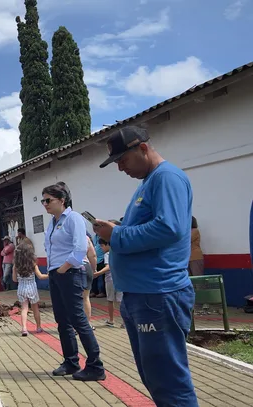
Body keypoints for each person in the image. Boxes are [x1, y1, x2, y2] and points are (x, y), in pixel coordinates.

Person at [94, 125, 197, 406]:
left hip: (158, 294)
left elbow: (169, 229)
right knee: (155, 377)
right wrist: (119, 228)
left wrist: (117, 234)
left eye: (122, 160)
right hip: (143, 294)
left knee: (169, 380)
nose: (120, 169)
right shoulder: (149, 182)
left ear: (143, 148)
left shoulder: (167, 178)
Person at [42, 182, 105, 381]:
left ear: (62, 200)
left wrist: (63, 269)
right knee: (62, 320)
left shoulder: (74, 219)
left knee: (78, 319)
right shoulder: (53, 222)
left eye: (48, 200)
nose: (45, 204)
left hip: (70, 272)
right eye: (43, 200)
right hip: (56, 273)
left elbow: (79, 249)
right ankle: (71, 361)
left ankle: (95, 366)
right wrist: (55, 272)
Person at [12, 242, 49, 336]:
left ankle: (24, 328)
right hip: (32, 288)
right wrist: (49, 275)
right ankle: (39, 327)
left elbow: (14, 279)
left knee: (24, 309)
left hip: (21, 288)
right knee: (35, 308)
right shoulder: (33, 264)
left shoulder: (16, 266)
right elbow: (40, 276)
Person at [93, 236, 123, 328]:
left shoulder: (107, 254)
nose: (101, 248)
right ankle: (125, 322)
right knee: (121, 301)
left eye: (102, 246)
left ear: (107, 244)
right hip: (121, 279)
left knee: (110, 300)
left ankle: (111, 320)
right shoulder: (119, 252)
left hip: (110, 280)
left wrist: (98, 273)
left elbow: (108, 266)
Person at [82, 232, 97, 330]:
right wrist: (94, 269)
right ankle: (87, 324)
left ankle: (74, 326)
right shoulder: (86, 237)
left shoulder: (63, 235)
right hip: (86, 267)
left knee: (72, 298)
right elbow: (93, 255)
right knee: (85, 297)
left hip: (70, 267)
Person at [90, 234, 107, 298]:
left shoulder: (103, 236)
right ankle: (94, 291)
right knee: (94, 277)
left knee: (101, 278)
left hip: (102, 258)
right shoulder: (95, 236)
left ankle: (101, 292)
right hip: (95, 260)